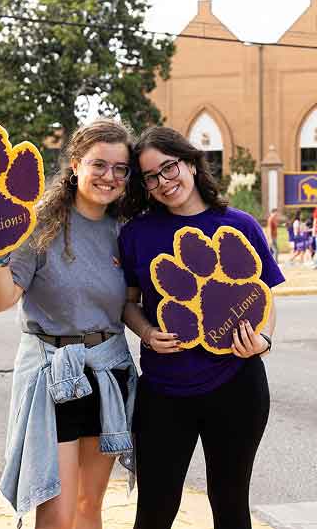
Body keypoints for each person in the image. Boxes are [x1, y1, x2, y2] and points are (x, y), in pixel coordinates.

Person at [118, 126, 284, 529]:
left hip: (237, 384)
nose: (163, 182)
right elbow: (128, 304)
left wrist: (262, 341)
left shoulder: (239, 225)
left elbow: (265, 297)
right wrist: (146, 332)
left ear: (191, 162)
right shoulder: (137, 233)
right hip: (164, 389)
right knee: (155, 510)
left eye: (169, 168)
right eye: (151, 177)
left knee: (230, 505)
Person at [0, 119, 137, 529]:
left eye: (120, 168)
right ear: (75, 165)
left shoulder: (126, 231)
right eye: (99, 165)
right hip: (53, 378)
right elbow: (2, 300)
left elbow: (128, 305)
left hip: (108, 373)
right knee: (57, 513)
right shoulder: (38, 225)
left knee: (90, 507)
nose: (109, 176)